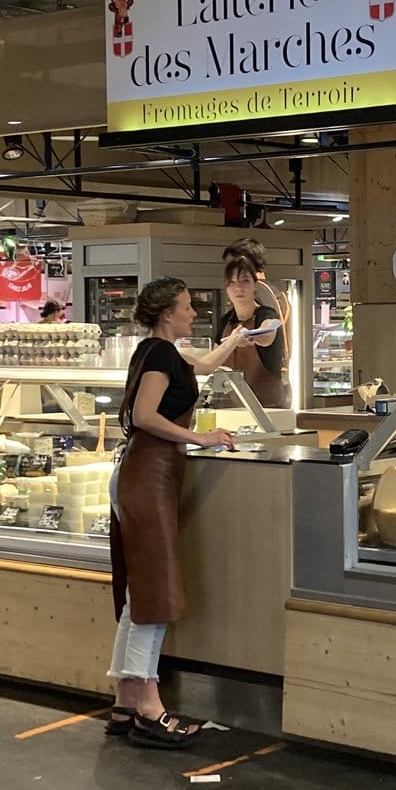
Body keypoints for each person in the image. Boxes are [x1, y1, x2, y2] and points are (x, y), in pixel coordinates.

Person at [106, 277, 251, 748]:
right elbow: (145, 415)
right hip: (148, 475)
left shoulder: (155, 349)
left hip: (142, 472)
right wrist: (201, 438)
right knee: (156, 593)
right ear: (168, 313)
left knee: (139, 593)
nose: (193, 312)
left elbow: (205, 364)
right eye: (188, 307)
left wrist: (240, 335)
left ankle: (125, 701)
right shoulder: (163, 354)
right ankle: (150, 708)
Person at [215, 248, 287, 407]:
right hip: (230, 409)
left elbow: (268, 332)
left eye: (245, 281)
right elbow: (213, 359)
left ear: (255, 285)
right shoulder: (225, 321)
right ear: (226, 288)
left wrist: (252, 336)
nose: (238, 288)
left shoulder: (266, 314)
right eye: (232, 283)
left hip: (268, 409)